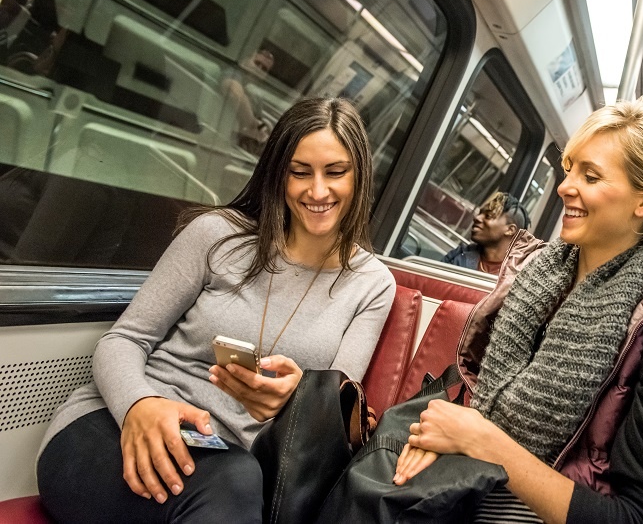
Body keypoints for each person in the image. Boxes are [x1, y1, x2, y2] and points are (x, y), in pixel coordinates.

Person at [35, 97, 396, 523]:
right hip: (114, 425)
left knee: (237, 481)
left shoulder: (372, 285)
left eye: (335, 172)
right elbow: (123, 339)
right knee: (234, 484)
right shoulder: (218, 235)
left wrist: (296, 399)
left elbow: (330, 418)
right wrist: (140, 405)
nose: (317, 191)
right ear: (278, 174)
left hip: (227, 469)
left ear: (359, 177)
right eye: (300, 172)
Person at [393, 98, 643, 523]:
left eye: (590, 176)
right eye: (569, 169)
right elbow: (488, 402)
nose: (564, 187)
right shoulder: (537, 279)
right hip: (470, 492)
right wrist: (454, 434)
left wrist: (485, 443)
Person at [442, 191, 530, 274]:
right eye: (480, 213)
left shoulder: (519, 276)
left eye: (488, 216)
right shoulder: (459, 254)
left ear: (510, 230)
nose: (477, 218)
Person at [221, 48, 275, 154]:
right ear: (245, 61)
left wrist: (260, 130)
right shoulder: (232, 73)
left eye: (264, 69)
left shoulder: (254, 95)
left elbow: (259, 122)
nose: (259, 69)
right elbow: (233, 91)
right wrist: (252, 124)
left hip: (240, 143)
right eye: (257, 63)